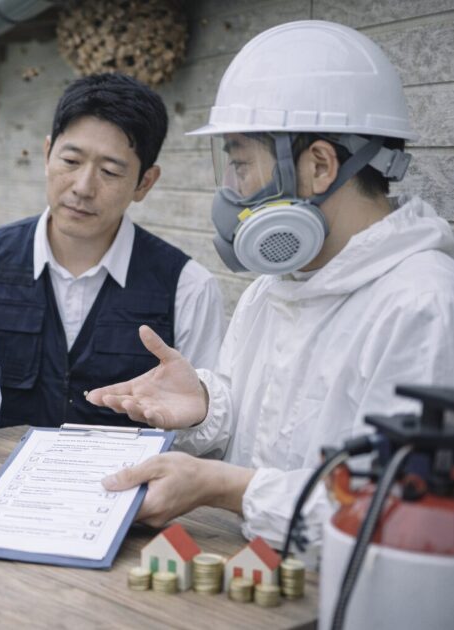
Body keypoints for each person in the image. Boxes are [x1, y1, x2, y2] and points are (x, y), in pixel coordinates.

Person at [87, 20, 454, 547]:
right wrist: (208, 405)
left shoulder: (424, 305)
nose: (231, 192)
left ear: (320, 165)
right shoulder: (275, 286)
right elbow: (267, 426)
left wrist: (224, 488)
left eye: (240, 165)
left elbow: (393, 515)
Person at [0, 73, 224, 428]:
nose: (83, 187)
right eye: (70, 161)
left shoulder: (189, 287)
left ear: (145, 182)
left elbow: (205, 433)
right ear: (47, 153)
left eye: (110, 171)